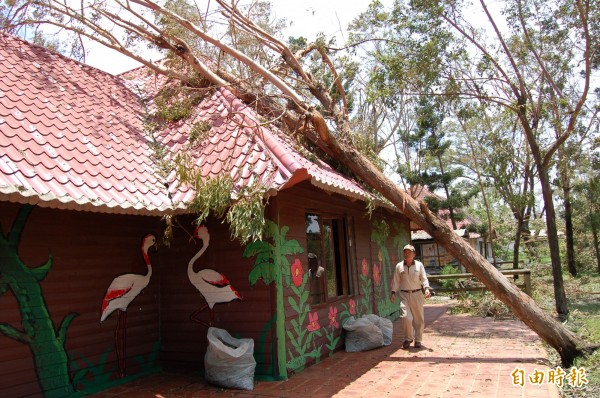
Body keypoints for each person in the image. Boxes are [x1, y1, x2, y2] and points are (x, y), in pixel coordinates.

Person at [390, 244, 431, 349]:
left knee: (418, 318)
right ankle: (408, 338)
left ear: (414, 254)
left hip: (417, 294)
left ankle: (418, 340)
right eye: (405, 252)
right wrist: (393, 292)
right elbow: (396, 280)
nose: (407, 254)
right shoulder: (399, 266)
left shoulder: (419, 265)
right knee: (406, 317)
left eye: (409, 252)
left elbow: (424, 278)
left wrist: (426, 288)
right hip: (404, 294)